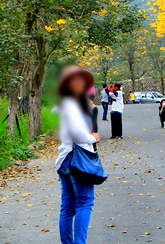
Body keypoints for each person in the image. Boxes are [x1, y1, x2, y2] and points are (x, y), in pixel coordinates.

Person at [55, 66, 100, 244]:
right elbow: (78, 134)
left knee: (67, 208)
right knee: (85, 202)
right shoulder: (73, 105)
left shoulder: (64, 104)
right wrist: (93, 137)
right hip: (78, 159)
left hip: (65, 158)